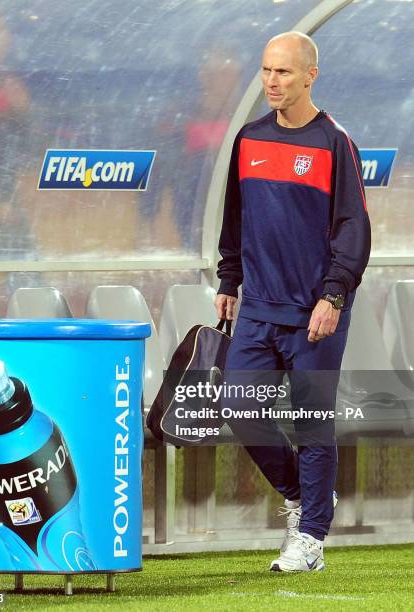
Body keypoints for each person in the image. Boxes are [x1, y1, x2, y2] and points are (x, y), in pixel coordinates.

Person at [215, 31, 371, 572]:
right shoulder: (249, 139)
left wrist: (334, 294)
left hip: (315, 314)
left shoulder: (334, 143)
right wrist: (228, 282)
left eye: (283, 72)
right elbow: (234, 220)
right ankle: (305, 499)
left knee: (311, 422)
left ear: (310, 75)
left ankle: (309, 540)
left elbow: (354, 228)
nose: (272, 82)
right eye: (265, 71)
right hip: (257, 308)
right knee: (239, 408)